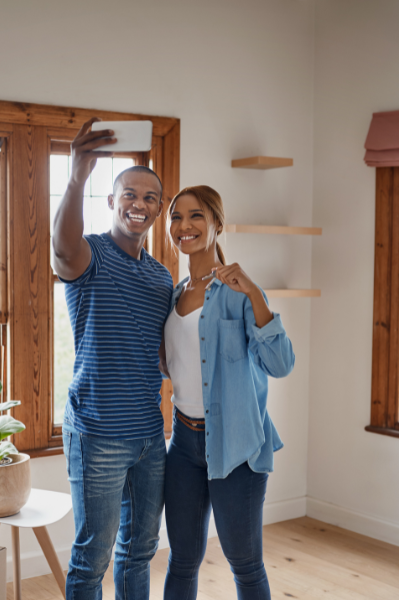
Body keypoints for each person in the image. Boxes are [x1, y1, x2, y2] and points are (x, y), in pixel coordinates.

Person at [52, 117, 174, 600]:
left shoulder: (163, 277)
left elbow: (164, 356)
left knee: (140, 550)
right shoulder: (90, 255)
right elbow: (61, 246)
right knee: (91, 559)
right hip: (97, 432)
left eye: (149, 198)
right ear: (111, 202)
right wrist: (77, 176)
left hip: (150, 434)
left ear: (159, 209)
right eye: (129, 194)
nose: (138, 205)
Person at [160, 185, 295, 600]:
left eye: (196, 215)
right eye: (176, 217)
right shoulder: (174, 293)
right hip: (183, 444)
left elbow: (281, 364)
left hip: (236, 446)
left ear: (217, 223)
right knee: (181, 560)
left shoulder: (239, 293)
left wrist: (255, 292)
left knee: (245, 564)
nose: (185, 226)